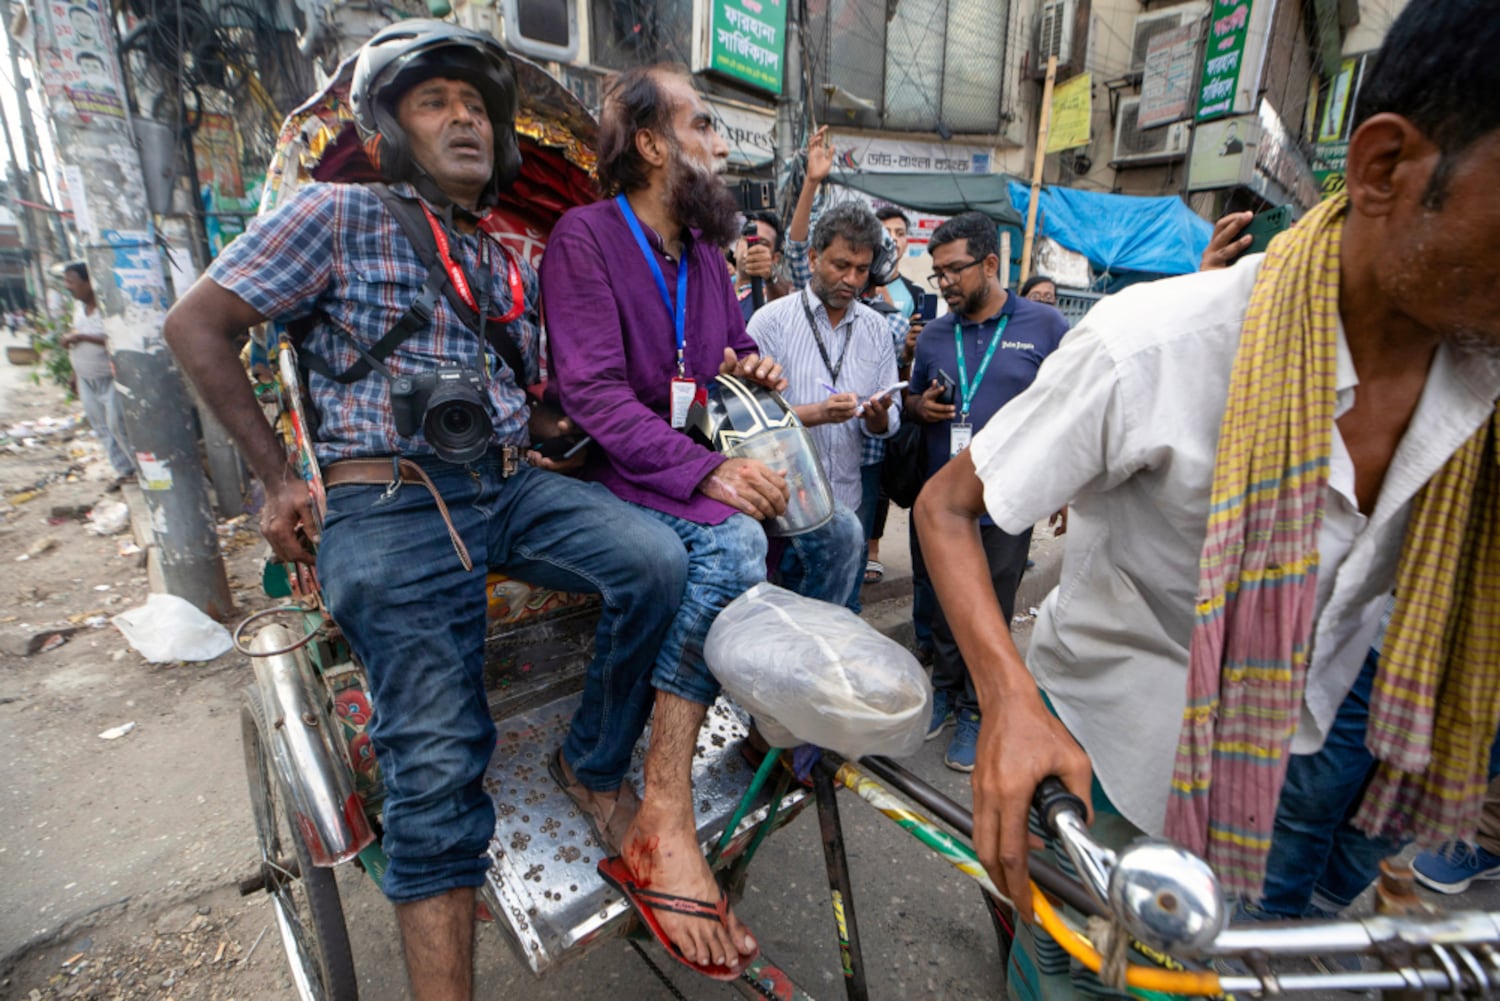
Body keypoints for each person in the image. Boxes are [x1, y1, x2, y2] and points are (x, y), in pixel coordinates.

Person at [916, 2, 1500, 995]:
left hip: (1293, 761)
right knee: (1066, 974)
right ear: (1386, 168)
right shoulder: (1156, 345)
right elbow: (945, 504)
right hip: (1102, 759)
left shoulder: (1480, 385)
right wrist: (1007, 699)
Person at [162, 22, 689, 1000]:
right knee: (439, 774)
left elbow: (528, 399)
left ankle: (592, 760)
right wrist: (279, 477)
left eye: (476, 105)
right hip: (392, 504)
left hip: (506, 482)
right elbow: (196, 322)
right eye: (435, 102)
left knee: (656, 559)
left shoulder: (497, 258)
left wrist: (589, 419)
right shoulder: (333, 214)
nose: (466, 119)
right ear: (394, 129)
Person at [540, 64, 862, 982]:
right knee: (734, 541)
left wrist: (754, 365)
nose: (723, 145)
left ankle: (768, 725)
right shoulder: (587, 238)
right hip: (625, 469)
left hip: (694, 459)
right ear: (651, 144)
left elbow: (732, 346)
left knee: (831, 531)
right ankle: (659, 809)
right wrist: (710, 470)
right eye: (706, 126)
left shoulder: (704, 257)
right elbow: (595, 395)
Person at [903, 212, 1068, 773]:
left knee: (990, 610)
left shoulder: (1044, 326)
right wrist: (918, 407)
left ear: (990, 264)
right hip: (942, 503)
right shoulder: (934, 335)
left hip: (1007, 503)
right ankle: (946, 691)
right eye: (937, 273)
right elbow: (910, 400)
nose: (944, 282)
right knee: (946, 605)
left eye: (954, 270)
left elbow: (1070, 411)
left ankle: (978, 707)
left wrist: (1066, 482)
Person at [746, 200, 900, 612]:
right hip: (783, 510)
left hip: (846, 501)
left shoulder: (877, 329)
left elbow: (892, 416)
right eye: (841, 265)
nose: (852, 279)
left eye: (862, 270)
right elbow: (746, 423)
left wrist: (880, 416)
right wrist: (817, 413)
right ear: (813, 257)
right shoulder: (770, 322)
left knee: (839, 620)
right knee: (781, 623)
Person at [59, 262, 135, 487]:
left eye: (71, 281)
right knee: (100, 426)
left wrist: (81, 337)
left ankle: (139, 469)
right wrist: (74, 373)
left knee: (116, 424)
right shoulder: (78, 309)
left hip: (110, 377)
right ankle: (123, 470)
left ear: (88, 283)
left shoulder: (107, 308)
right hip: (85, 378)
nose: (68, 287)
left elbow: (117, 339)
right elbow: (76, 337)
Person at [732, 208, 787, 321]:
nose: (752, 247)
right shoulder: (719, 284)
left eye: (762, 243)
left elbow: (781, 305)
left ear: (774, 258)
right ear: (736, 247)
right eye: (747, 239)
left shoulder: (770, 291)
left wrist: (771, 277)